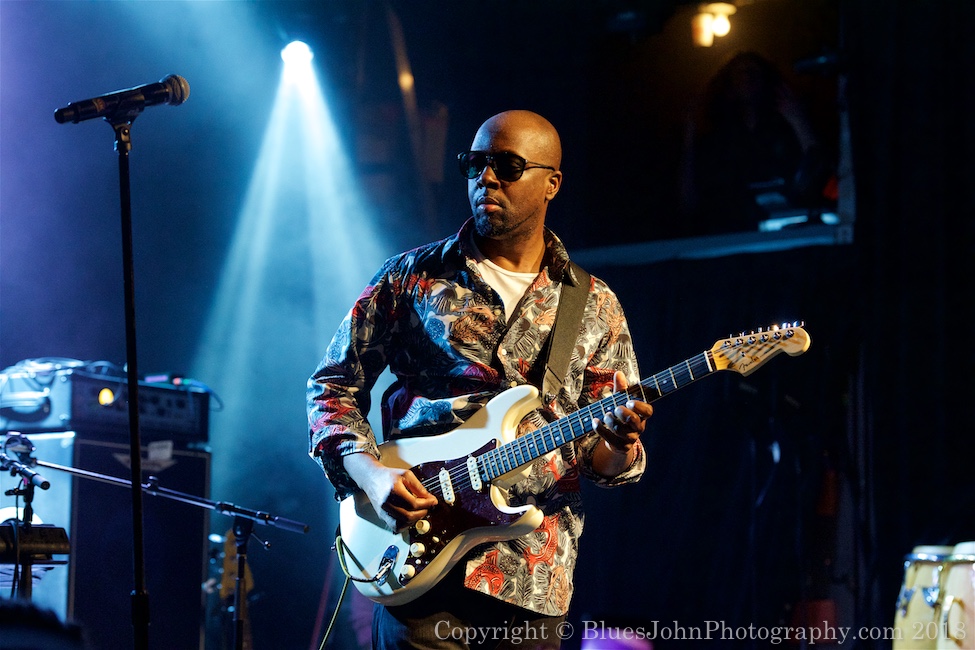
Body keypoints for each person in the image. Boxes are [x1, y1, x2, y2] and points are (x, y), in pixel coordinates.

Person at [307, 110, 652, 649]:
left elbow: (605, 466)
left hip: (531, 580)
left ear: (551, 184)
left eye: (508, 166)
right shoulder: (411, 277)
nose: (485, 179)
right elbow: (332, 387)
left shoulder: (596, 306)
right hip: (417, 559)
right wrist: (371, 475)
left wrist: (618, 442)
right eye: (475, 164)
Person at [679, 51, 834, 235]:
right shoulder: (718, 138)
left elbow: (822, 180)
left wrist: (799, 121)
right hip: (730, 238)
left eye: (753, 71)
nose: (746, 77)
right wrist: (689, 133)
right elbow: (689, 203)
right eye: (739, 73)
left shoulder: (784, 130)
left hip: (787, 235)